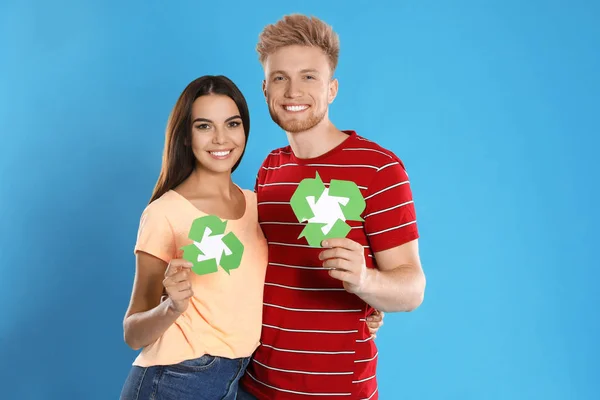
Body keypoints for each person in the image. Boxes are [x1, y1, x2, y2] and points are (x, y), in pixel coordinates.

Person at [119, 75, 385, 400]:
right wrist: (172, 308)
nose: (220, 139)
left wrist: (361, 304)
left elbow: (280, 282)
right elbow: (133, 333)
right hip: (175, 380)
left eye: (232, 124)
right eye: (204, 126)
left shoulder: (256, 205)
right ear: (185, 136)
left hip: (237, 380)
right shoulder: (165, 214)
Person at [237, 14, 426, 400]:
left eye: (309, 77)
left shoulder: (379, 168)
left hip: (337, 392)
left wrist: (366, 282)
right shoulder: (270, 166)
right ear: (264, 89)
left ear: (332, 88)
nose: (293, 91)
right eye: (280, 78)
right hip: (252, 386)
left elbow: (412, 289)